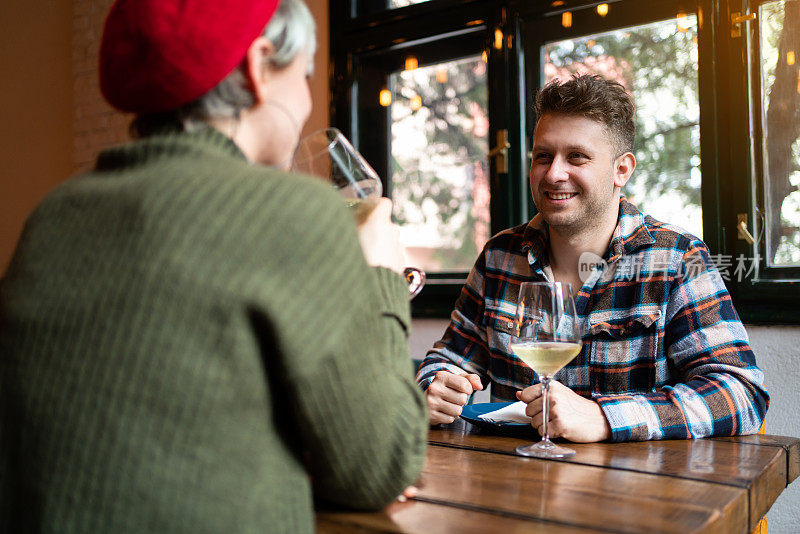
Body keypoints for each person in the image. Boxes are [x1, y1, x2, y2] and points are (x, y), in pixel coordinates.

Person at [0, 0, 427, 531]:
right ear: (259, 65)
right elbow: (379, 467)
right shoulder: (293, 210)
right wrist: (380, 280)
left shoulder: (55, 214)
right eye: (305, 76)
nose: (306, 103)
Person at [416, 74, 768, 443]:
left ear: (622, 170)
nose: (553, 174)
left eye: (576, 157)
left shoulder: (679, 257)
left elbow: (742, 393)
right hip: (513, 485)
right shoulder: (499, 257)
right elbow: (446, 362)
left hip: (632, 492)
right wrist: (435, 388)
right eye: (543, 157)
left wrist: (604, 417)